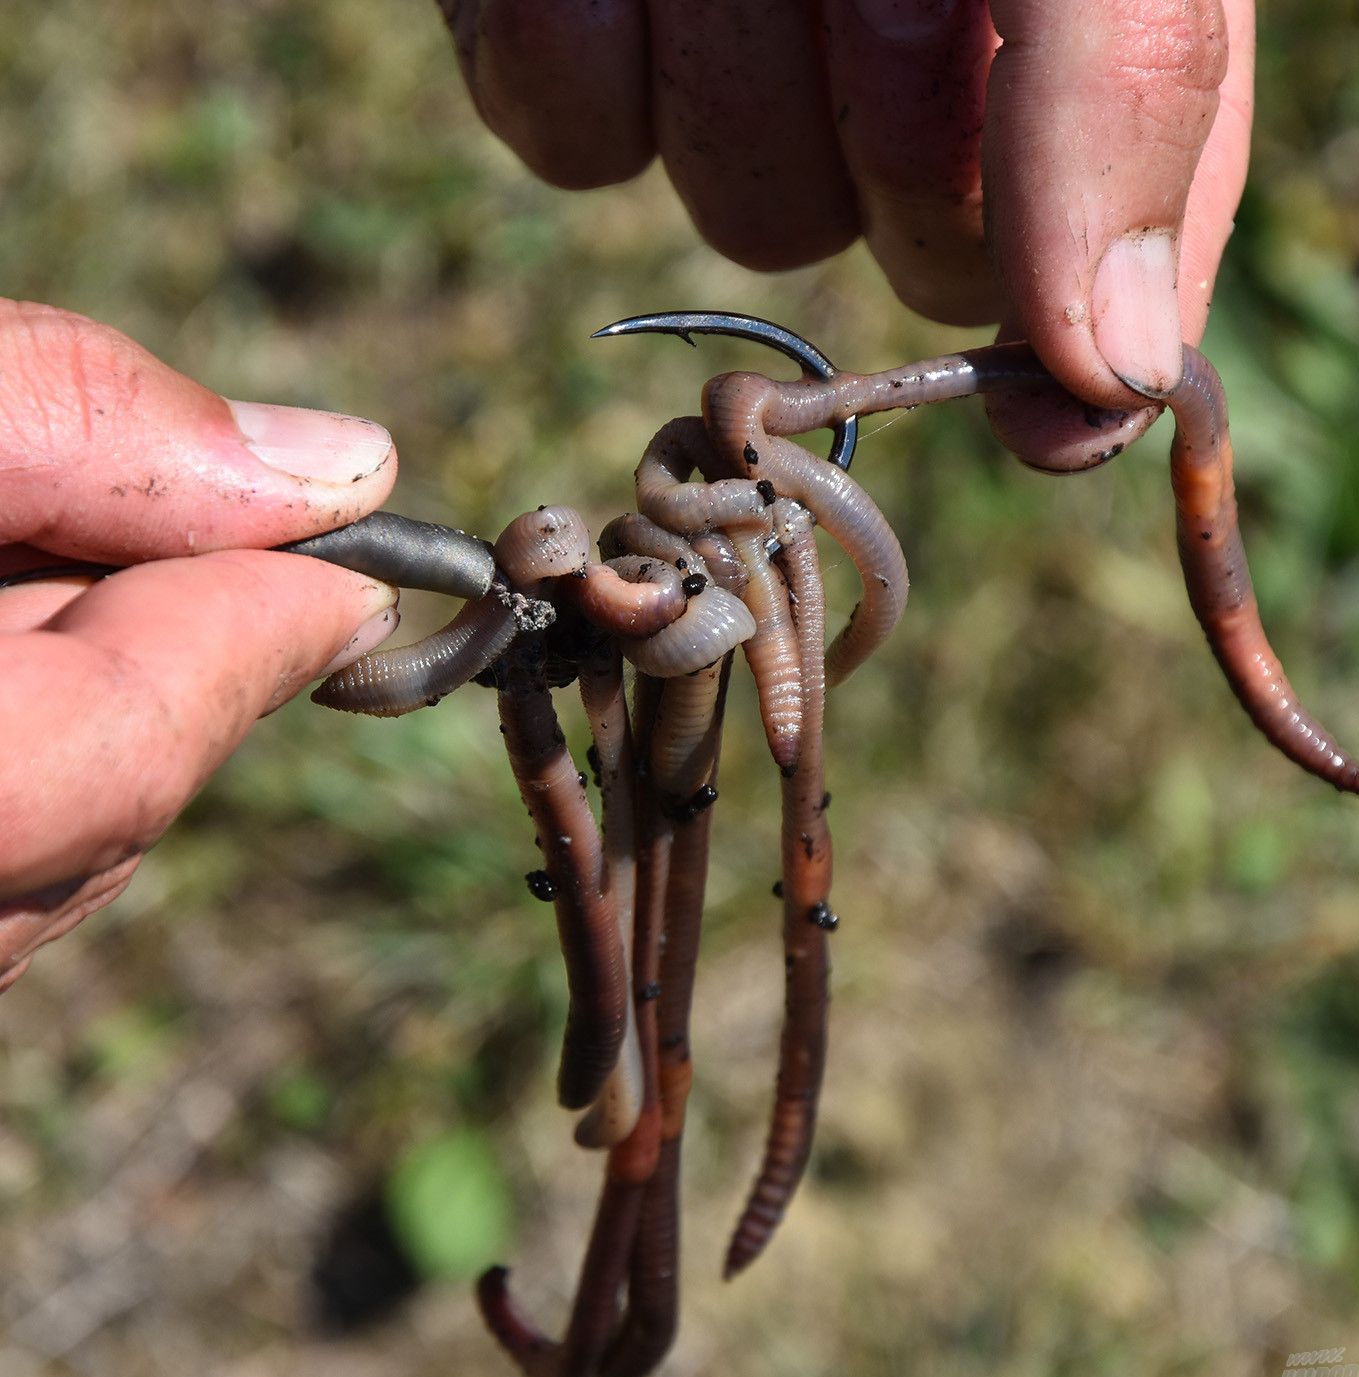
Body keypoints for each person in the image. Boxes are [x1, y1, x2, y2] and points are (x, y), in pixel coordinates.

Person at [0, 0, 1253, 982]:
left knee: (670, 819)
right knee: (640, 874)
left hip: (693, 554)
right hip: (626, 584)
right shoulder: (613, 576)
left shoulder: (706, 537)